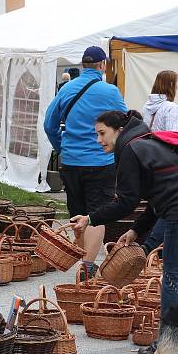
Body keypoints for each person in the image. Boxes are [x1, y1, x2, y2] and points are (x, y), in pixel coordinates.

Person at [70, 110, 178, 354]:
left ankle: (169, 344)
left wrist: (90, 218)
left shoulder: (130, 148)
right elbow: (157, 197)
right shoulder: (144, 140)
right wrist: (136, 230)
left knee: (173, 277)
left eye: (102, 133)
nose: (98, 140)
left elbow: (126, 203)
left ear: (118, 130)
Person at [44, 45, 127, 278]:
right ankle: (88, 266)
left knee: (77, 211)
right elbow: (125, 122)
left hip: (70, 162)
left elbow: (49, 125)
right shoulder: (110, 92)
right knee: (97, 214)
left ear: (83, 65)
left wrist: (62, 147)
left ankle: (81, 257)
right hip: (101, 161)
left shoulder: (67, 89)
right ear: (102, 66)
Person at [139, 70, 178, 252]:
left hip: (151, 161)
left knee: (156, 205)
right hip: (167, 163)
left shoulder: (147, 107)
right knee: (168, 208)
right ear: (171, 85)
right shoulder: (171, 108)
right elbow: (173, 137)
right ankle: (152, 248)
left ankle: (149, 246)